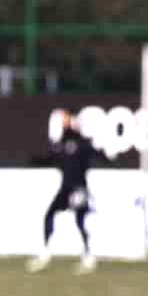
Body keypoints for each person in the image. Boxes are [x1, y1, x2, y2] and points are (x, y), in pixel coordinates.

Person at [27, 109, 98, 274]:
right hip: (66, 188)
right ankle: (45, 254)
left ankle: (88, 256)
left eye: (67, 120)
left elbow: (95, 153)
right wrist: (35, 160)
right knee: (49, 214)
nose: (63, 123)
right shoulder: (63, 143)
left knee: (80, 221)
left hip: (79, 188)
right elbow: (51, 157)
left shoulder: (81, 143)